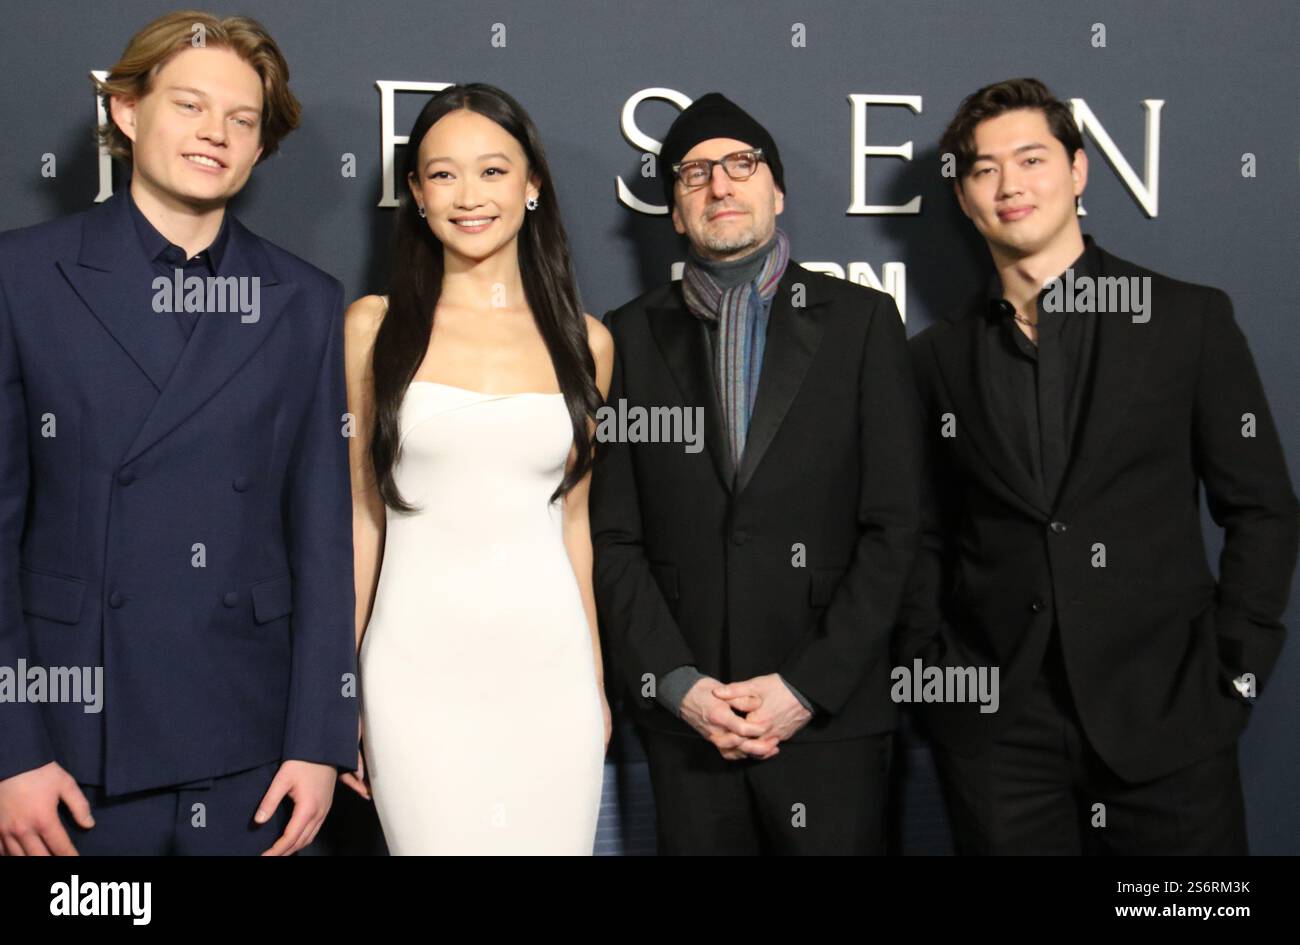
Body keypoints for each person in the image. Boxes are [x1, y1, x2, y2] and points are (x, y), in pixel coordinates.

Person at [899, 77, 1299, 854]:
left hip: (1169, 718)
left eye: (1032, 158)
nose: (1010, 184)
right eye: (984, 169)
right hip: (999, 732)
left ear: (1079, 172)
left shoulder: (1188, 320)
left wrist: (1230, 671)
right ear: (964, 197)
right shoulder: (934, 361)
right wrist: (934, 676)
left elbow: (1262, 507)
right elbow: (923, 536)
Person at [0, 11, 357, 856]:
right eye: (190, 105)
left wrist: (318, 737)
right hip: (72, 751)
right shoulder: (23, 274)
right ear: (126, 111)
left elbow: (322, 535)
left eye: (242, 119)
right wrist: (12, 750)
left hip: (252, 748)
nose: (216, 134)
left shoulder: (304, 298)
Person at [590, 93, 921, 854]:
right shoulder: (627, 337)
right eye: (695, 172)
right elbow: (612, 535)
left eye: (741, 164)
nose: (720, 184)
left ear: (776, 189)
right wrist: (678, 685)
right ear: (673, 210)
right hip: (688, 727)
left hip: (831, 719)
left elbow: (897, 527)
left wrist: (806, 686)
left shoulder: (864, 323)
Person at [341, 84, 613, 854]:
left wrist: (593, 684)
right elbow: (364, 519)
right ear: (418, 195)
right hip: (414, 672)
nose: (469, 196)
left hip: (549, 671)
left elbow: (575, 523)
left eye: (493, 171)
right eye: (443, 174)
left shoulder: (586, 343)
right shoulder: (374, 328)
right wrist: (339, 689)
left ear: (532, 188)